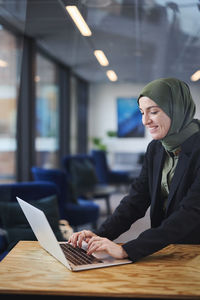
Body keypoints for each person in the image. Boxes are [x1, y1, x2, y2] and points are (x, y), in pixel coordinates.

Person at [69, 77, 200, 262]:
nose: (145, 121)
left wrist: (127, 250)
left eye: (153, 111)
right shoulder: (156, 148)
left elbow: (191, 212)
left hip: (194, 250)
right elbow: (136, 200)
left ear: (176, 110)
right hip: (164, 249)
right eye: (141, 112)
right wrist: (99, 235)